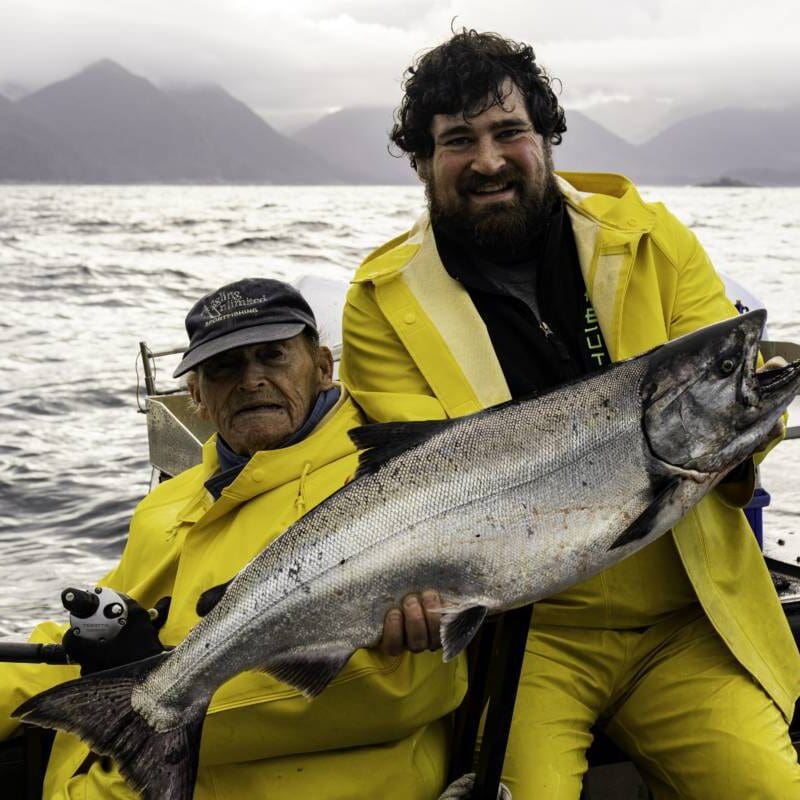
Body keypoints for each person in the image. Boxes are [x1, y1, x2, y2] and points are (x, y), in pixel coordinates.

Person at [339, 29, 800, 799]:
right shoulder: (380, 303)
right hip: (530, 634)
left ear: (547, 138)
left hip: (689, 617)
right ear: (422, 163)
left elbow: (729, 408)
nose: (488, 161)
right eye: (459, 141)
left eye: (508, 132)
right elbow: (407, 480)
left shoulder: (652, 239)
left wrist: (747, 437)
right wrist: (403, 593)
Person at [0, 277, 465, 799]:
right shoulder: (169, 504)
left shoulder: (388, 484)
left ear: (323, 368)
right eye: (225, 366)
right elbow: (88, 634)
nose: (251, 380)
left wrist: (148, 694)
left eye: (273, 356)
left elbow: (403, 692)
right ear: (196, 395)